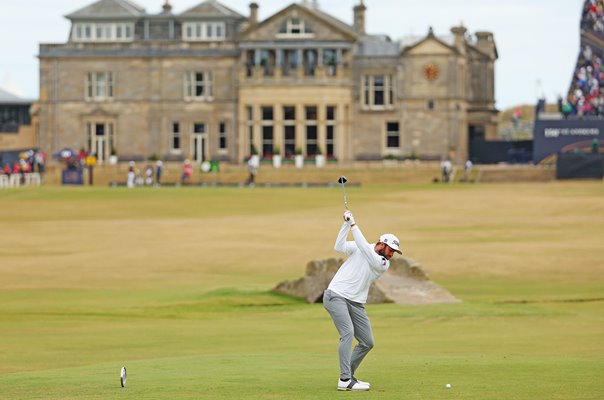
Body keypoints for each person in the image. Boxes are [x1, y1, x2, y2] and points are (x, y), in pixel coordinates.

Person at [323, 209, 402, 391]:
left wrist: (353, 224)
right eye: (391, 250)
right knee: (347, 333)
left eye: (394, 252)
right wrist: (345, 224)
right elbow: (339, 246)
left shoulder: (382, 263)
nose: (391, 254)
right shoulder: (363, 247)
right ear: (382, 244)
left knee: (367, 342)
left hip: (356, 302)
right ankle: (345, 380)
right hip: (336, 295)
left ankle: (348, 376)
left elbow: (366, 249)